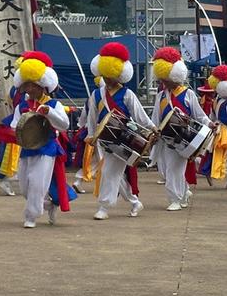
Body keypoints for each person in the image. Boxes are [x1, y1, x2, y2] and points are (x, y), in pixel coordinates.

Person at [87, 43, 152, 220]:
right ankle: (134, 202)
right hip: (104, 139)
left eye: (111, 75)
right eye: (105, 75)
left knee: (108, 172)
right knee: (114, 174)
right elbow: (92, 117)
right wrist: (91, 135)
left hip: (125, 140)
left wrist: (152, 129)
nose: (108, 78)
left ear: (119, 74)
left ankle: (104, 207)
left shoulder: (127, 94)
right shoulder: (96, 95)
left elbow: (140, 115)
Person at [9, 52, 73, 228]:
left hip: (47, 148)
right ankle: (49, 205)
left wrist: (49, 113)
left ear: (43, 85)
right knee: (25, 188)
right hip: (27, 149)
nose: (30, 89)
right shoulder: (22, 106)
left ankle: (31, 217)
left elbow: (64, 125)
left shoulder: (54, 104)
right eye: (27, 85)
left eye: (34, 85)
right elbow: (14, 126)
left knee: (37, 184)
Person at [150, 47, 214, 212]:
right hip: (167, 139)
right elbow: (156, 118)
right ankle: (184, 193)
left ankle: (175, 199)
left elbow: (199, 115)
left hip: (186, 138)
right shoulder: (161, 96)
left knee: (174, 169)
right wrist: (153, 131)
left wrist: (209, 124)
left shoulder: (188, 94)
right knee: (172, 169)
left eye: (166, 77)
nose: (164, 81)